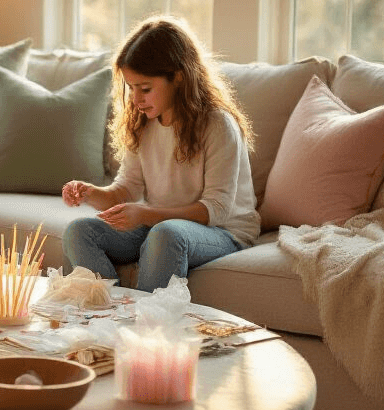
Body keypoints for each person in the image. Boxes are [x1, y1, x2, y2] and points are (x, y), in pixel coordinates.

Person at [61, 15, 259, 293]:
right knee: (79, 232)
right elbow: (125, 190)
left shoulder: (217, 124)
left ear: (177, 78)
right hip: (160, 225)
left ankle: (148, 330)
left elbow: (216, 209)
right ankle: (109, 317)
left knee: (165, 234)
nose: (135, 99)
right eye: (131, 88)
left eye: (145, 89)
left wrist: (144, 215)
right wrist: (89, 193)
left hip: (224, 231)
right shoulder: (142, 122)